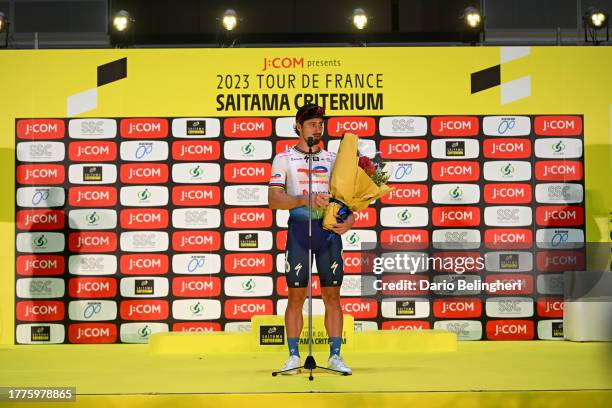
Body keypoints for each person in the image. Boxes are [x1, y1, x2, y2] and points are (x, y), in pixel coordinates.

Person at [268, 103, 354, 375]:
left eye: (320, 124)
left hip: (328, 234)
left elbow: (347, 201)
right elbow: (273, 200)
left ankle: (335, 356)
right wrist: (304, 199)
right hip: (298, 233)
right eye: (311, 124)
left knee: (332, 296)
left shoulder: (332, 159)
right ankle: (293, 356)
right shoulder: (284, 159)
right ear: (298, 127)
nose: (317, 129)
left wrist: (350, 220)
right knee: (295, 297)